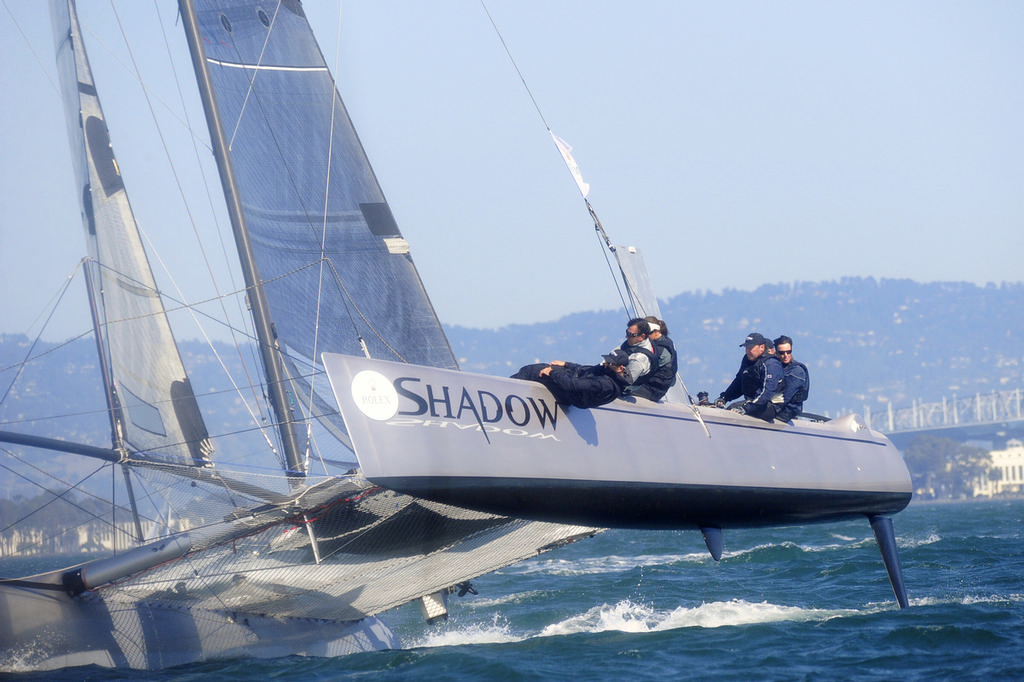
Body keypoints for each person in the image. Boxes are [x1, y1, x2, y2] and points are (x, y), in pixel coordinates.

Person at [511, 349, 632, 408]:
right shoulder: (609, 371)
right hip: (575, 386)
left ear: (620, 368)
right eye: (606, 360)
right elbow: (587, 370)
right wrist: (566, 364)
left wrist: (552, 373)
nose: (605, 364)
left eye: (610, 363)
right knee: (543, 367)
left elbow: (571, 385)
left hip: (571, 395)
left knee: (533, 371)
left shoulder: (605, 384)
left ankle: (506, 393)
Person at [714, 332, 784, 422]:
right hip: (754, 403)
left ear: (762, 347)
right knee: (731, 408)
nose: (748, 351)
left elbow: (767, 392)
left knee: (732, 410)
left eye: (751, 348)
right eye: (746, 348)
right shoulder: (747, 360)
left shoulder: (771, 364)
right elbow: (739, 382)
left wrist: (747, 408)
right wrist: (724, 398)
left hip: (771, 406)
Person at [627, 316, 677, 401]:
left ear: (656, 332)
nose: (644, 337)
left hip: (652, 390)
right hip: (647, 386)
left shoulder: (662, 349)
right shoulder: (658, 344)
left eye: (648, 334)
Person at [773, 335, 810, 423]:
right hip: (777, 409)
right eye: (782, 353)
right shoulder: (775, 367)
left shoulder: (796, 372)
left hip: (785, 414)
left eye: (788, 352)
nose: (786, 355)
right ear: (776, 353)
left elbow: (785, 398)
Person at [616, 318, 655, 388]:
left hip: (628, 388)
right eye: (627, 332)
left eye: (630, 334)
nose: (626, 336)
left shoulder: (638, 359)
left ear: (642, 337)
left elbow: (626, 381)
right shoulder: (634, 342)